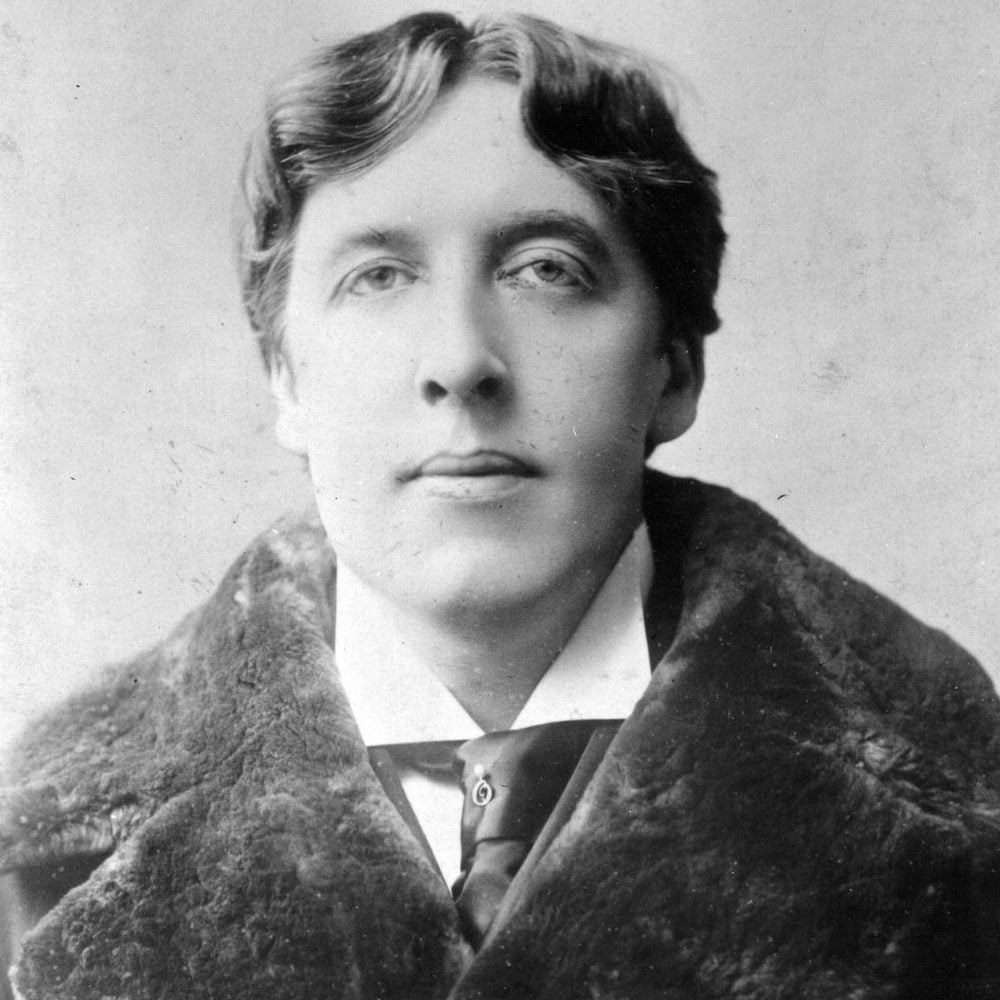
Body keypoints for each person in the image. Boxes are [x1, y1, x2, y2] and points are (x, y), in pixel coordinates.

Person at [2, 11, 999, 999]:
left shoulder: (962, 823)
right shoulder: (32, 858)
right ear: (286, 379)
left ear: (674, 367)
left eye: (546, 270)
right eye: (377, 276)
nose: (460, 360)